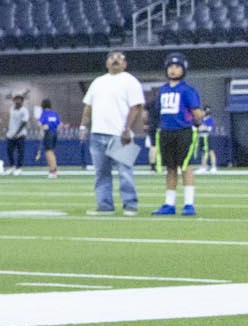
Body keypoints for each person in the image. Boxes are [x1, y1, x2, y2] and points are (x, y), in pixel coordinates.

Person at [79, 49, 146, 215]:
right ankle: (105, 206)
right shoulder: (97, 82)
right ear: (106, 63)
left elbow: (136, 107)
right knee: (101, 173)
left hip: (120, 134)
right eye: (111, 57)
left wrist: (127, 129)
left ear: (125, 64)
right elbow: (88, 106)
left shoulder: (131, 81)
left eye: (119, 58)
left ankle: (130, 205)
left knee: (125, 172)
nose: (115, 60)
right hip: (97, 133)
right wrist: (83, 126)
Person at [152, 52, 203, 217]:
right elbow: (158, 112)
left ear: (183, 69)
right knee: (170, 168)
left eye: (177, 67)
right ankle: (169, 203)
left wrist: (196, 123)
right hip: (166, 132)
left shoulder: (187, 90)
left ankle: (189, 203)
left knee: (186, 166)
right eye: (170, 67)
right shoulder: (163, 90)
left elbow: (197, 112)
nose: (173, 70)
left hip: (183, 131)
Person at [5, 93, 31, 175]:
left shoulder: (24, 110)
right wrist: (9, 131)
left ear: (22, 101)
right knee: (9, 151)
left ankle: (19, 168)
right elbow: (10, 120)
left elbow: (24, 122)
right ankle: (11, 166)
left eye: (19, 99)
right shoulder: (12, 108)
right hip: (10, 134)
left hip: (20, 135)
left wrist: (16, 133)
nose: (17, 101)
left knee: (20, 152)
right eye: (16, 99)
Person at [39, 98, 62, 178]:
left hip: (48, 133)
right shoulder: (54, 113)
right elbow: (60, 124)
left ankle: (53, 170)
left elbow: (41, 124)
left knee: (48, 152)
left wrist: (42, 131)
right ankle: (53, 169)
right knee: (52, 151)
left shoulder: (44, 113)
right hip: (55, 133)